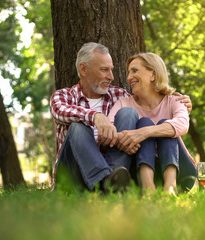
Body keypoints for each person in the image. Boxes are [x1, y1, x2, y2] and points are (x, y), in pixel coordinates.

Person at [50, 42, 191, 193]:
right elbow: (60, 110)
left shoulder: (120, 96)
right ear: (84, 69)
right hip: (72, 173)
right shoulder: (63, 96)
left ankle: (110, 185)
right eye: (105, 70)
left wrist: (135, 137)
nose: (111, 76)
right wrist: (96, 117)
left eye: (111, 70)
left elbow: (144, 110)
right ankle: (103, 181)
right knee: (78, 127)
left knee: (129, 114)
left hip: (113, 167)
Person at [107, 53, 197, 195]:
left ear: (153, 75)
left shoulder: (175, 101)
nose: (129, 77)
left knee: (162, 125)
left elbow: (182, 124)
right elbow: (109, 131)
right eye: (128, 72)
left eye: (134, 71)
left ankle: (171, 187)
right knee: (144, 122)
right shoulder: (123, 103)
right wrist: (127, 139)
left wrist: (143, 133)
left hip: (182, 173)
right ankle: (148, 188)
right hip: (137, 173)